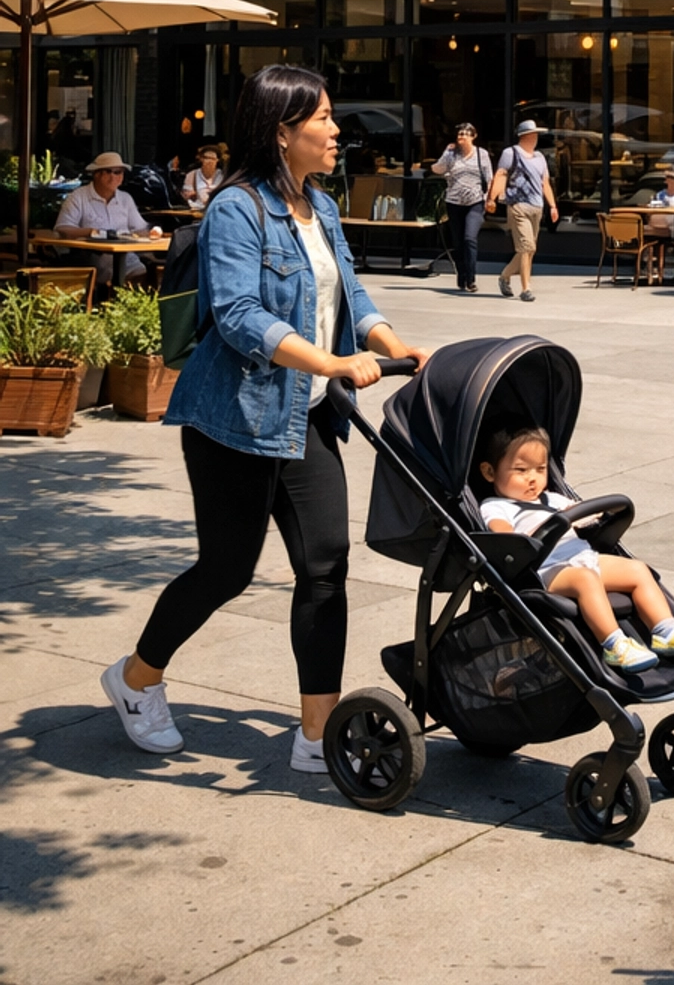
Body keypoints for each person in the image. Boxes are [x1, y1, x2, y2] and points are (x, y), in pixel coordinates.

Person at [98, 65, 428, 766]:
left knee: (325, 565)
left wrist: (391, 345)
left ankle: (317, 735)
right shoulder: (235, 209)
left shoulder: (323, 206)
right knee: (226, 571)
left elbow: (351, 294)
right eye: (324, 119)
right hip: (234, 420)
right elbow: (241, 316)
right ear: (283, 131)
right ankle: (135, 679)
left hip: (304, 418)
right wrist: (333, 364)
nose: (338, 131)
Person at [477, 424, 674, 674]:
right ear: (490, 472)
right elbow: (506, 536)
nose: (532, 478)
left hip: (583, 556)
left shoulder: (553, 499)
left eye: (541, 469)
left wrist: (593, 515)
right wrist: (549, 526)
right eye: (521, 470)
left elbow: (585, 515)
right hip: (546, 569)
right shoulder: (497, 506)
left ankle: (665, 631)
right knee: (586, 580)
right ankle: (615, 645)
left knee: (637, 570)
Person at [487, 118, 558, 303]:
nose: (536, 137)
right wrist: (492, 198)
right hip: (518, 206)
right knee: (527, 247)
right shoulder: (511, 153)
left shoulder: (540, 157)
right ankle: (526, 288)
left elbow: (545, 183)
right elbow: (501, 175)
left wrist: (552, 206)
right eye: (534, 134)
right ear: (525, 136)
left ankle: (504, 276)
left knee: (528, 250)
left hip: (537, 207)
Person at [57, 153, 153, 287]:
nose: (115, 176)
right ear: (96, 174)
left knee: (157, 276)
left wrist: (152, 234)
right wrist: (92, 232)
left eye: (119, 172)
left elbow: (141, 229)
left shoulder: (125, 199)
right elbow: (63, 229)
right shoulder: (78, 197)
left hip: (130, 261)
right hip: (95, 262)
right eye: (109, 172)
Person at [431, 122, 493, 293]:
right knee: (458, 242)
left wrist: (489, 199)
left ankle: (471, 278)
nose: (461, 137)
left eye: (465, 134)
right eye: (459, 134)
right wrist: (446, 153)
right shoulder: (452, 154)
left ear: (473, 136)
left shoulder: (482, 154)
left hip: (475, 202)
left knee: (469, 239)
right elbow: (437, 169)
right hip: (454, 202)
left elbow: (490, 178)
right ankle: (461, 274)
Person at [181, 142, 224, 211]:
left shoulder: (223, 176)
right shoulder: (192, 175)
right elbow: (185, 197)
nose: (209, 161)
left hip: (217, 210)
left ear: (217, 160)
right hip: (197, 210)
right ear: (201, 159)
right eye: (207, 158)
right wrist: (191, 195)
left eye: (213, 158)